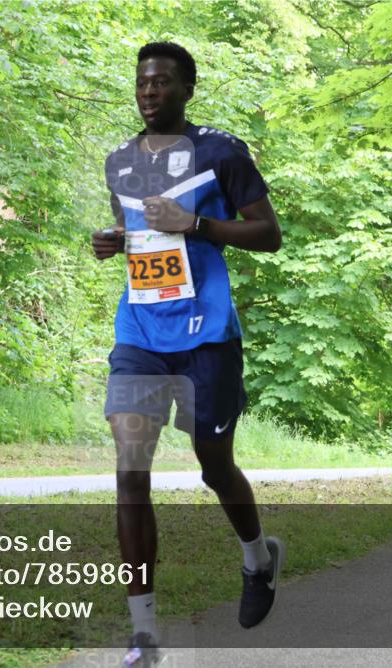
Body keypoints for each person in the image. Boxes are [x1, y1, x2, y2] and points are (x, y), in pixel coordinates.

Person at [91, 42, 284, 667]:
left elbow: (268, 234)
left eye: (164, 82)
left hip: (207, 336)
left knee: (213, 464)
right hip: (140, 334)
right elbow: (139, 237)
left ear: (187, 90)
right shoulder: (118, 162)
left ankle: (258, 558)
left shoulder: (220, 151)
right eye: (143, 82)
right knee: (129, 469)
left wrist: (196, 225)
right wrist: (113, 242)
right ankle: (143, 634)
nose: (150, 92)